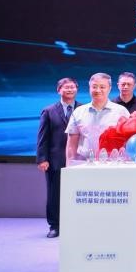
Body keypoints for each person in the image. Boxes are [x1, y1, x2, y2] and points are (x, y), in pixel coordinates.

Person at [36, 77, 80, 238]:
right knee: (55, 194)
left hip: (79, 159)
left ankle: (76, 224)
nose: (70, 90)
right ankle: (54, 225)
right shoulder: (49, 111)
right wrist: (42, 159)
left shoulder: (83, 109)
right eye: (66, 87)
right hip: (55, 160)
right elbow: (43, 137)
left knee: (77, 194)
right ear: (58, 90)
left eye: (72, 87)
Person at [65, 73, 127, 162]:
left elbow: (127, 142)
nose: (98, 90)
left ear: (109, 89)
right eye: (94, 87)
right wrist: (69, 165)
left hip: (113, 165)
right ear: (89, 88)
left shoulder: (121, 112)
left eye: (102, 87)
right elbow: (71, 145)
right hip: (84, 164)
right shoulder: (78, 112)